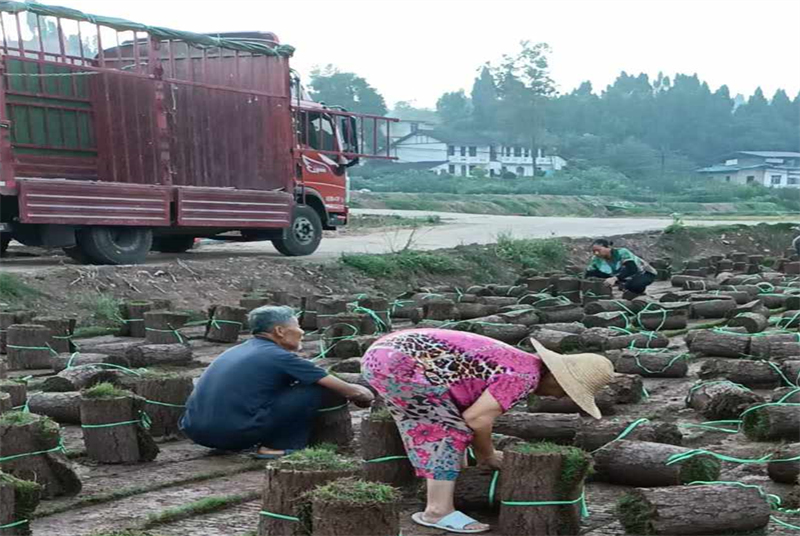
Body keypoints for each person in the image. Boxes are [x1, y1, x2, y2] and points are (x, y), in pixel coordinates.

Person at [362, 329, 613, 534]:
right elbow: (477, 419)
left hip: (386, 353)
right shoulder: (523, 377)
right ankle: (438, 511)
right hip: (400, 362)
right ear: (559, 380)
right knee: (447, 432)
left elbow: (466, 407)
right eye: (566, 393)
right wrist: (488, 454)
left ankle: (448, 484)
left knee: (444, 421)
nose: (559, 398)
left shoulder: (523, 363)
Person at [180, 305, 374, 458]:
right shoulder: (280, 357)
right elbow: (353, 392)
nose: (302, 332)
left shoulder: (238, 350)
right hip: (234, 434)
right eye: (297, 326)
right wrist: (368, 394)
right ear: (280, 331)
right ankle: (276, 447)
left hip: (195, 431)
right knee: (317, 388)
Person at [585, 238, 657, 299]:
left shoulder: (622, 252)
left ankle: (640, 291)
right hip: (623, 275)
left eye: (598, 250)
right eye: (594, 251)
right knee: (596, 275)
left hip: (644, 273)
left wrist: (614, 278)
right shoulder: (596, 259)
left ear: (608, 247)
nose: (596, 253)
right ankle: (625, 284)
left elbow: (632, 269)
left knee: (633, 286)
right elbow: (590, 272)